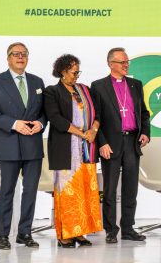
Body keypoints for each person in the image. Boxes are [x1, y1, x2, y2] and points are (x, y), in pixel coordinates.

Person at [0, 42, 46, 250]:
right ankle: (3, 235)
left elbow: (44, 112)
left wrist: (40, 123)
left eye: (24, 54)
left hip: (33, 144)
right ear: (8, 58)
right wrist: (14, 124)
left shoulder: (37, 81)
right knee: (7, 190)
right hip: (8, 144)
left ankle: (25, 233)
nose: (20, 57)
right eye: (16, 54)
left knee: (30, 191)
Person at [91, 47, 151, 243]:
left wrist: (145, 132)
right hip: (111, 144)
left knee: (130, 188)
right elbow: (95, 119)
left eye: (127, 62)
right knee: (109, 189)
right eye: (122, 62)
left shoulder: (135, 84)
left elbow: (143, 113)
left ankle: (128, 228)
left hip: (132, 141)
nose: (126, 65)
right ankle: (110, 229)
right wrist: (102, 143)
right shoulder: (98, 86)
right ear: (111, 64)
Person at [43, 54, 102, 248]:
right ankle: (65, 234)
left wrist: (92, 131)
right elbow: (55, 118)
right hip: (65, 147)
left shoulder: (84, 89)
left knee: (85, 190)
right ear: (63, 71)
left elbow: (98, 113)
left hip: (87, 147)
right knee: (67, 191)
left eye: (78, 72)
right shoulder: (52, 91)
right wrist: (81, 133)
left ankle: (81, 232)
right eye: (74, 72)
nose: (77, 75)